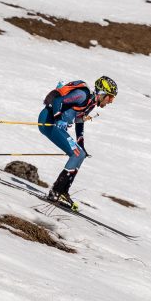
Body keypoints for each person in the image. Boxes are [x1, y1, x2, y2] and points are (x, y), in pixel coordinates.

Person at [38, 76, 118, 209]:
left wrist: (81, 144)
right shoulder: (82, 95)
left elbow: (79, 121)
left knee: (80, 154)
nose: (111, 101)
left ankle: (62, 191)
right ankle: (55, 192)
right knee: (76, 154)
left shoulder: (91, 103)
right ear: (102, 93)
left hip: (55, 124)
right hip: (48, 120)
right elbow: (58, 101)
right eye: (110, 97)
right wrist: (58, 119)